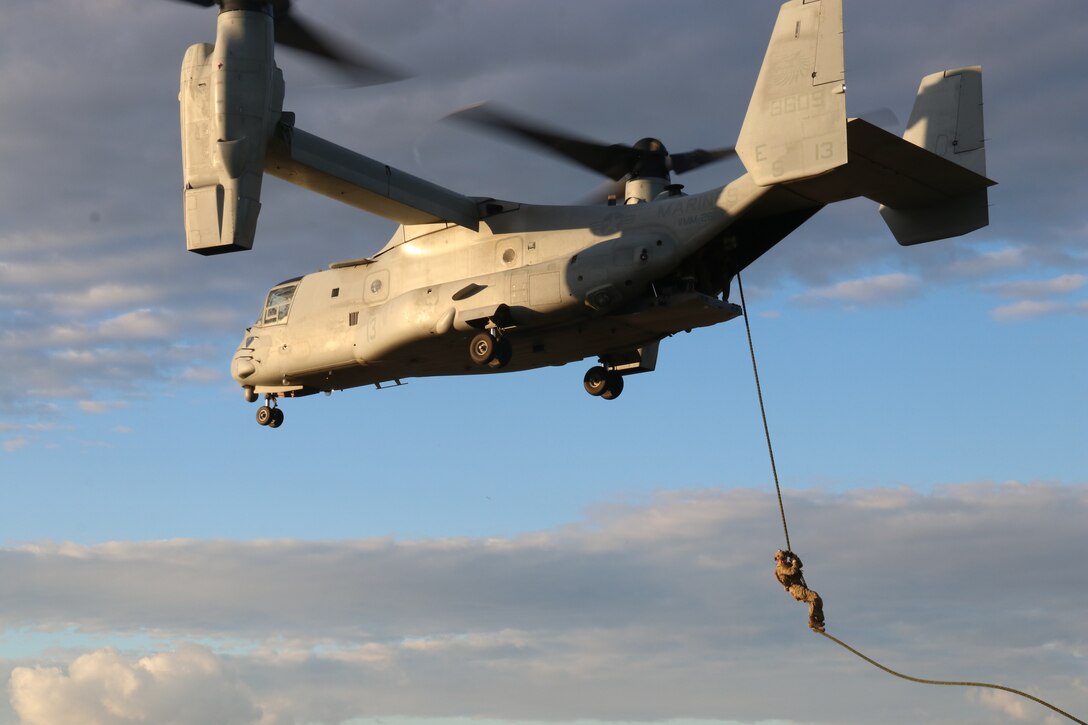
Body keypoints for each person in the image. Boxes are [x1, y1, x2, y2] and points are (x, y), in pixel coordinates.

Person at [774, 549, 825, 632]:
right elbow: (792, 571)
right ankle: (812, 621)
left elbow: (800, 565)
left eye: (784, 558)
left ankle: (818, 620)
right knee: (814, 597)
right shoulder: (780, 568)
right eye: (782, 559)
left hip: (800, 587)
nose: (784, 560)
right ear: (777, 559)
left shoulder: (786, 564)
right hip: (795, 589)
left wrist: (793, 556)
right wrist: (793, 562)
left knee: (817, 599)